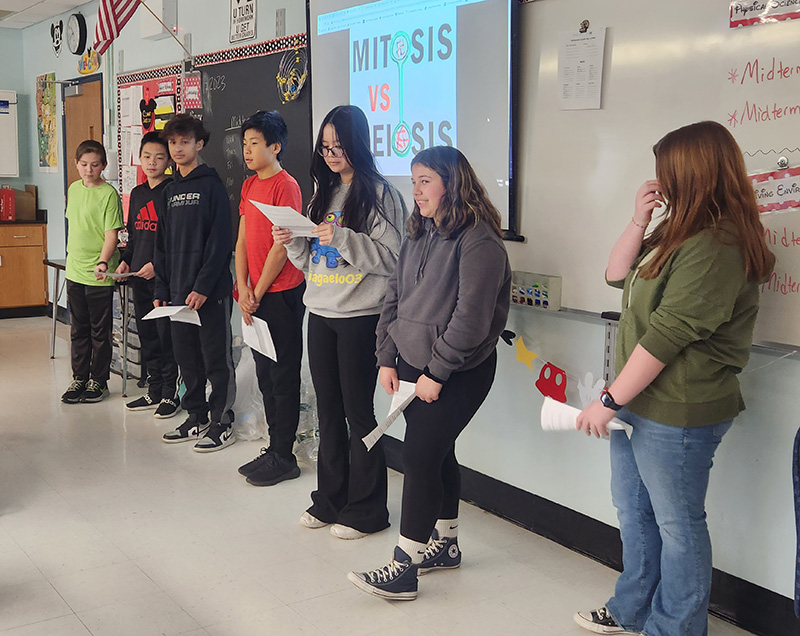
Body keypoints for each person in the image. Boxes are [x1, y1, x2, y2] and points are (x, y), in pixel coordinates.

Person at [573, 121, 774, 636]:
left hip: (680, 408)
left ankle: (675, 628)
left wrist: (608, 398)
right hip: (640, 402)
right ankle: (632, 609)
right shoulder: (678, 230)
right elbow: (616, 273)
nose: (659, 180)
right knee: (634, 512)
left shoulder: (719, 244)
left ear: (695, 173)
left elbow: (668, 335)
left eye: (667, 172)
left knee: (677, 526)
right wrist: (639, 219)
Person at [347, 146, 511, 600]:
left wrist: (437, 372)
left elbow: (471, 319)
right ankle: (448, 544)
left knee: (419, 456)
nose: (415, 190)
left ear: (452, 183)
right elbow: (394, 296)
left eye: (425, 181)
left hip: (459, 370)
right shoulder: (419, 231)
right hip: (413, 363)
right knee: (438, 453)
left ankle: (404, 567)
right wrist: (386, 354)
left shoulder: (479, 241)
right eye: (414, 180)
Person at [273, 105, 406, 539]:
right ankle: (329, 500)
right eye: (326, 147)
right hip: (322, 313)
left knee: (358, 413)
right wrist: (293, 242)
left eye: (340, 147)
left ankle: (368, 510)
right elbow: (313, 264)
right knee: (328, 412)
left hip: (360, 318)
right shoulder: (322, 193)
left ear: (359, 145)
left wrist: (345, 238)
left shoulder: (381, 194)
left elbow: (392, 259)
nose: (332, 155)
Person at [154, 114, 236, 452]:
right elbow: (162, 244)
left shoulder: (212, 186)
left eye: (184, 141)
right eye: (172, 142)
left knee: (215, 359)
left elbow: (220, 243)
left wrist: (202, 286)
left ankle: (221, 420)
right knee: (187, 359)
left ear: (199, 144)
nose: (177, 148)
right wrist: (161, 289)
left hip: (208, 294)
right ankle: (196, 416)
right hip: (176, 295)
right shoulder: (170, 191)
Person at [235, 110, 306, 486]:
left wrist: (257, 292)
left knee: (283, 376)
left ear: (275, 147)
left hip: (280, 294)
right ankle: (274, 447)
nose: (247, 151)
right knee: (264, 373)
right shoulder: (249, 186)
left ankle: (285, 454)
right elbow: (243, 239)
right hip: (254, 295)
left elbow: (283, 248)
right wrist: (242, 287)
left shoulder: (286, 185)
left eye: (255, 144)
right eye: (244, 144)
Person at [116, 131, 180, 418]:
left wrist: (157, 264)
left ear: (168, 160)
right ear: (139, 159)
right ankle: (153, 391)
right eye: (146, 157)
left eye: (159, 157)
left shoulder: (173, 191)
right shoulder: (138, 193)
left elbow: (175, 239)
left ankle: (170, 394)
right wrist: (125, 261)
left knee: (166, 338)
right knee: (147, 337)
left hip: (163, 280)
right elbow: (133, 235)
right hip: (138, 278)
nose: (152, 162)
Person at [61, 140, 123, 404]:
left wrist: (102, 262)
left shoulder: (109, 194)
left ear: (103, 166)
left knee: (100, 330)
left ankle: (99, 380)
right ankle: (79, 377)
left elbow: (112, 236)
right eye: (84, 164)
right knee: (78, 328)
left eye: (95, 165)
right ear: (76, 164)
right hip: (74, 270)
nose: (89, 170)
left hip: (99, 273)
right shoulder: (74, 189)